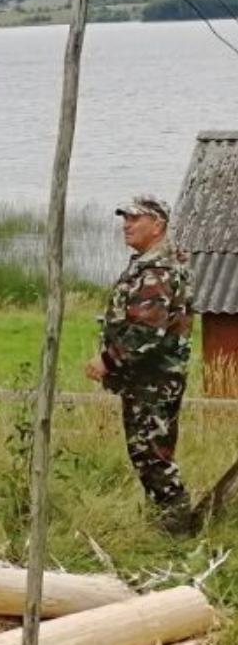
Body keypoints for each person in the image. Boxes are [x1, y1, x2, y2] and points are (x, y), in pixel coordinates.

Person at [84, 194, 196, 535]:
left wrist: (107, 360)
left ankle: (177, 533)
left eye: (135, 219)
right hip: (146, 380)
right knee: (148, 455)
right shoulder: (148, 263)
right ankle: (163, 525)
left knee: (153, 458)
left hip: (154, 380)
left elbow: (149, 330)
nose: (126, 225)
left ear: (157, 225)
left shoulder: (158, 269)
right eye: (124, 219)